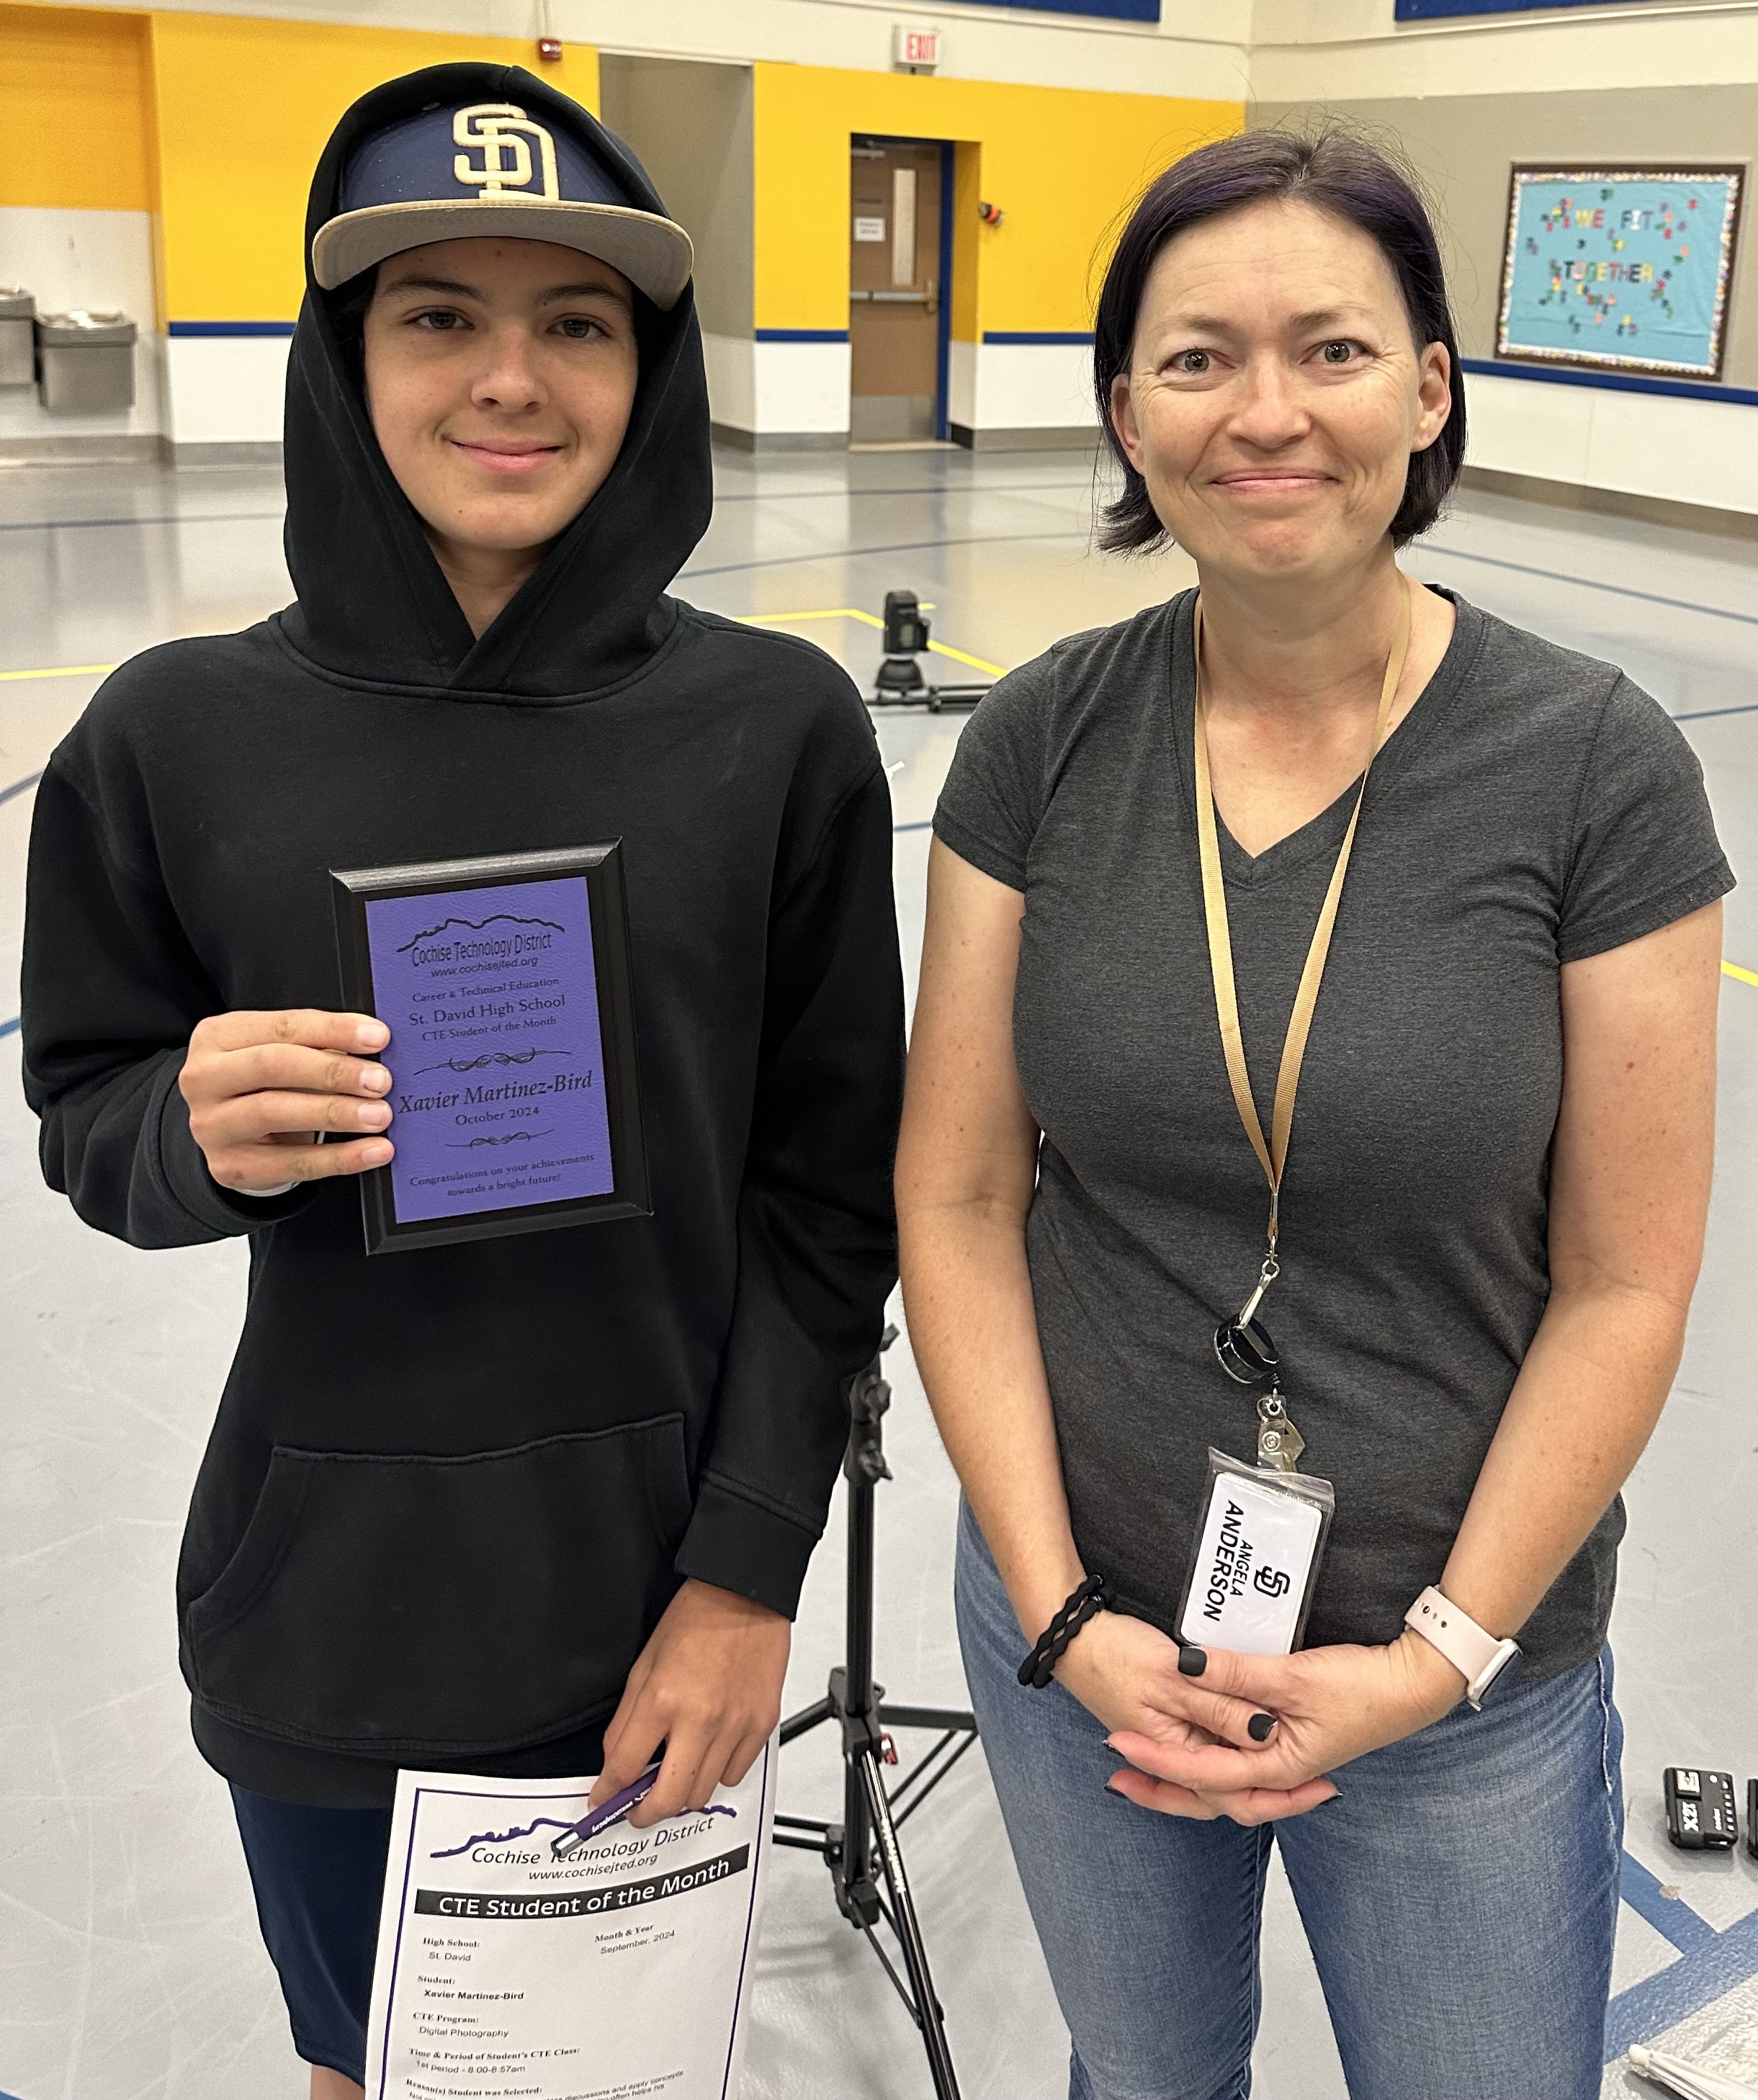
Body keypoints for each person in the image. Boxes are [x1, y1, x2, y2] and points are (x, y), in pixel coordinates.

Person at [21, 63, 902, 2100]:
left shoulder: (772, 730)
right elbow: (84, 1109)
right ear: (345, 360)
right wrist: (186, 1131)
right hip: (327, 1605)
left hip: (653, 1613)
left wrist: (747, 1568)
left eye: (575, 322)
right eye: (439, 316)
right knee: (373, 2078)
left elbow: (829, 1192)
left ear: (646, 363)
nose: (511, 380)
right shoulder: (173, 734)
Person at [896, 127, 1729, 2100]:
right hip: (1089, 1615)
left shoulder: (1591, 766)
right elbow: (951, 1194)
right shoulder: (1039, 743)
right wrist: (1055, 1609)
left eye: (1330, 349)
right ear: (1123, 412)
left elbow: (1624, 1279)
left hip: (1452, 1662)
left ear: (1428, 389)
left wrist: (1430, 1655)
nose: (1262, 411)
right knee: (1144, 2069)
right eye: (1193, 359)